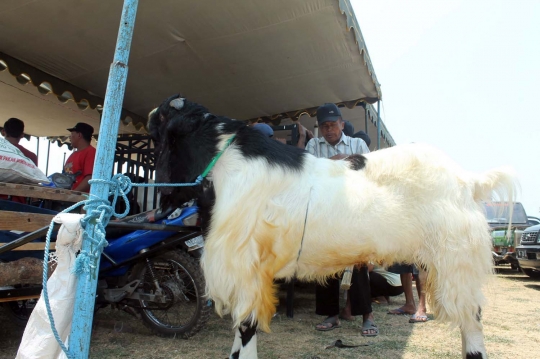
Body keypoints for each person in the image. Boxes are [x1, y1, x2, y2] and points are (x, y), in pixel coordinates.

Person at [306, 103, 376, 337]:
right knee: (327, 264)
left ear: (342, 124)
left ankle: (367, 315)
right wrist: (331, 163)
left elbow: (371, 173)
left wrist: (346, 158)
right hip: (326, 213)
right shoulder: (313, 145)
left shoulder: (358, 144)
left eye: (333, 125)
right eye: (324, 126)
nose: (328, 130)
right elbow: (308, 175)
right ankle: (331, 315)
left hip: (354, 211)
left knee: (359, 264)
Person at [1, 118, 39, 204]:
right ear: (22, 135)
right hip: (17, 205)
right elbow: (33, 183)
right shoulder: (30, 156)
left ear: (3, 132)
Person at [64, 122, 96, 192]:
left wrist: (73, 194)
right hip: (68, 198)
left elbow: (90, 178)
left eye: (72, 134)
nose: (70, 138)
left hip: (81, 200)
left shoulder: (91, 152)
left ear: (79, 135)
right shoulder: (73, 154)